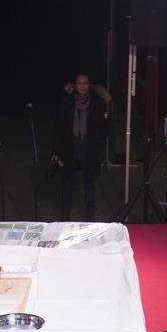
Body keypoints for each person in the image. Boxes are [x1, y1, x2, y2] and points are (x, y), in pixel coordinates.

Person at [51, 73, 110, 221]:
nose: (83, 86)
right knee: (68, 185)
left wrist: (105, 121)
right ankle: (64, 218)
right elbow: (59, 129)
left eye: (85, 83)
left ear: (89, 85)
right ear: (75, 85)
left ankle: (90, 218)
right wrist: (55, 151)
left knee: (89, 186)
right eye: (79, 83)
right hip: (70, 149)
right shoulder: (67, 102)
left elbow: (105, 130)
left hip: (88, 150)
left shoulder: (97, 103)